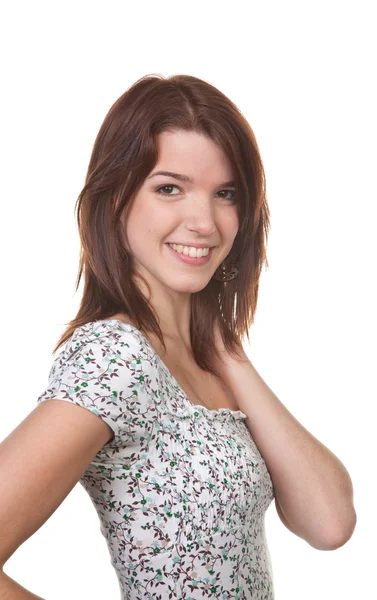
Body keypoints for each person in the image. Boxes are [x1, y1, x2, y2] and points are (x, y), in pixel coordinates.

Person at [0, 74, 356, 599]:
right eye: (170, 188)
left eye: (225, 194)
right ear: (116, 198)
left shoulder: (208, 358)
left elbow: (329, 523)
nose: (204, 222)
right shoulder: (114, 359)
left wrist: (223, 348)